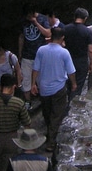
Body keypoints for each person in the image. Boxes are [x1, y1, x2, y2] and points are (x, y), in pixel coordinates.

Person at [31, 27, 77, 160]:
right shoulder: (64, 53)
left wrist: (33, 83)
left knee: (47, 112)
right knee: (56, 115)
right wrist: (73, 83)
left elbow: (36, 68)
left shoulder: (41, 50)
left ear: (50, 36)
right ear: (62, 38)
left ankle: (49, 134)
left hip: (44, 88)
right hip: (59, 88)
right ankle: (51, 143)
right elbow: (71, 71)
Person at [18, 5, 51, 105]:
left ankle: (43, 99)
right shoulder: (23, 21)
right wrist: (20, 53)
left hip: (40, 55)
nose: (28, 16)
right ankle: (28, 101)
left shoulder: (42, 19)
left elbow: (48, 34)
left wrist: (36, 23)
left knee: (42, 79)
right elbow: (21, 37)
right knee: (26, 80)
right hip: (27, 55)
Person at [63, 8, 92, 98]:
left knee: (68, 84)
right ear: (85, 18)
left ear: (74, 16)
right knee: (78, 85)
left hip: (68, 60)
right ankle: (73, 104)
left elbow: (61, 43)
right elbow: (91, 49)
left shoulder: (66, 28)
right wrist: (91, 63)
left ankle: (68, 101)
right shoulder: (87, 31)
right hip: (81, 61)